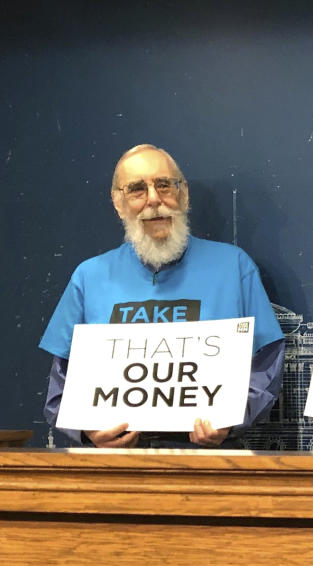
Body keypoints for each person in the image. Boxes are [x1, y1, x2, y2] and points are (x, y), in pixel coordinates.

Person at [39, 143, 284, 448]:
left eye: (164, 185)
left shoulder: (234, 267)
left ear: (184, 194)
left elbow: (267, 363)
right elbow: (60, 388)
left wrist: (233, 417)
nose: (154, 200)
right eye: (137, 189)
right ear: (118, 202)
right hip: (115, 469)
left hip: (209, 463)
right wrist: (86, 429)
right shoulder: (89, 277)